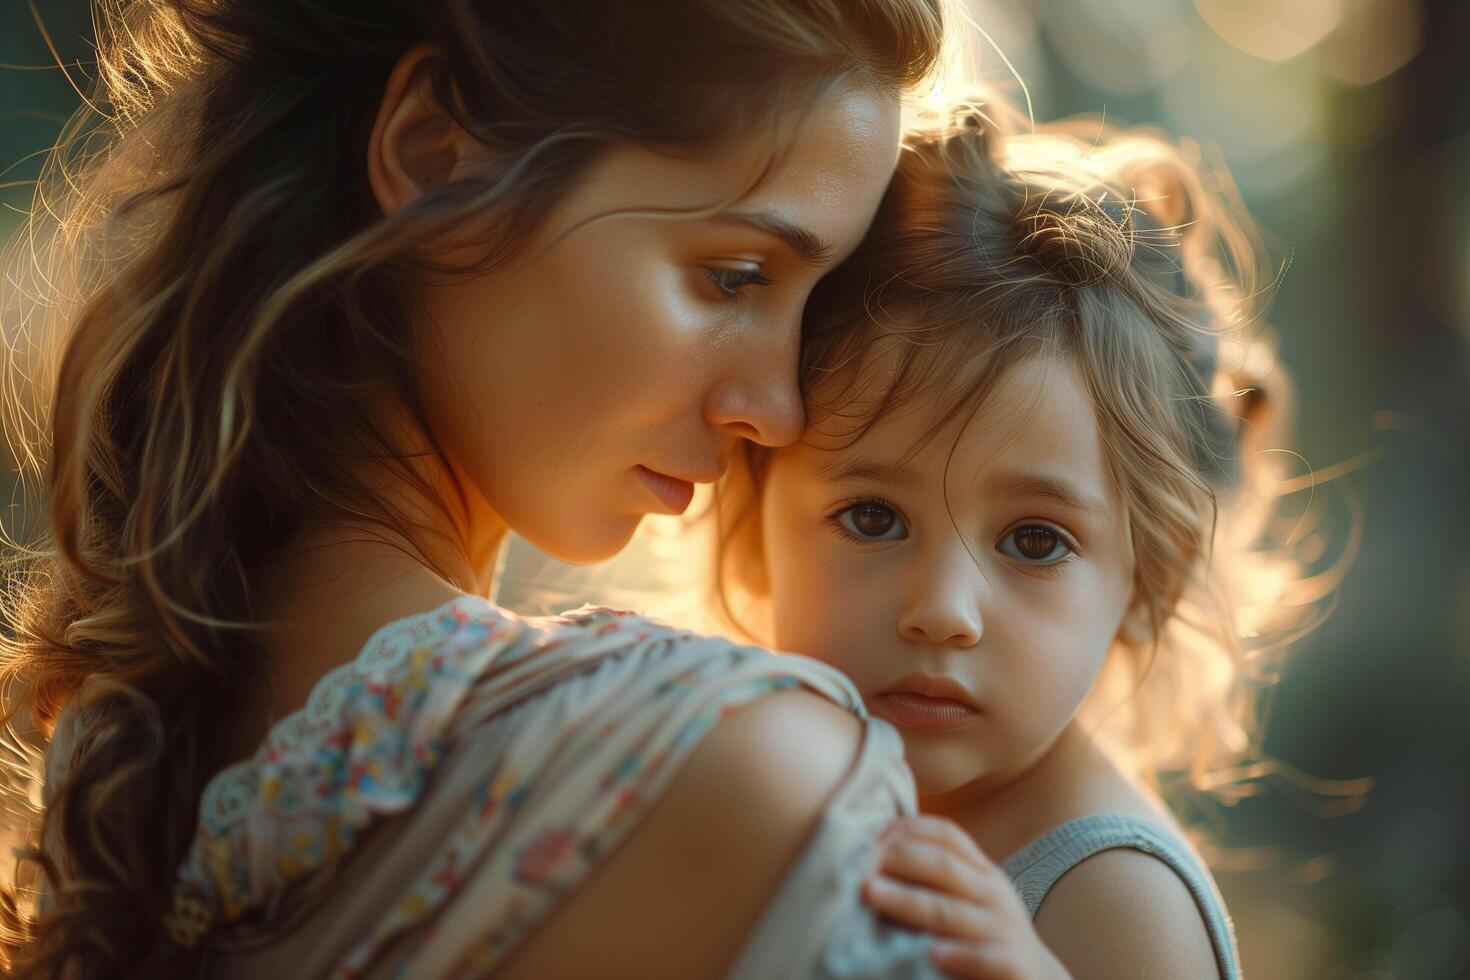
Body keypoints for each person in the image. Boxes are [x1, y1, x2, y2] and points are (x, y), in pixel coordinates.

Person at [0, 2, 1040, 977]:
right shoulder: (740, 773)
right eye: (734, 275)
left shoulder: (107, 754)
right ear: (434, 157)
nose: (775, 407)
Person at [713, 101, 1318, 979]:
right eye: (873, 518)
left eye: (1035, 541)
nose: (942, 612)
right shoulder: (766, 781)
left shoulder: (1115, 898)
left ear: (1155, 578)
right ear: (749, 525)